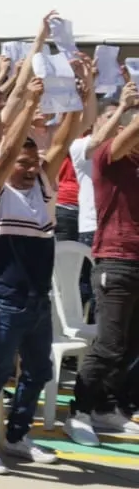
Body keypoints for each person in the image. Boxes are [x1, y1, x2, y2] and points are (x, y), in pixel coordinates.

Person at [0, 65, 84, 472]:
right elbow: (4, 153)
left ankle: (16, 436)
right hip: (5, 297)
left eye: (35, 161)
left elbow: (64, 140)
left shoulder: (44, 189)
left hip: (37, 298)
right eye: (23, 162)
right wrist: (30, 103)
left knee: (39, 370)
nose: (32, 168)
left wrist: (77, 97)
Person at [67, 73, 139, 445]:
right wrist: (128, 107)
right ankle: (78, 411)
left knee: (129, 345)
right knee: (109, 345)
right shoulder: (107, 158)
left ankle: (104, 407)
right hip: (116, 261)